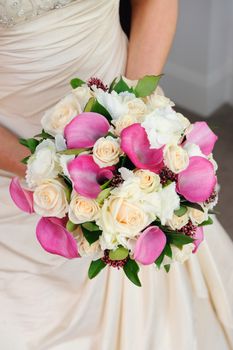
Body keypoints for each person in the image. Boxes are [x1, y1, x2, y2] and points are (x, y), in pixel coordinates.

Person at [0, 0, 232, 349]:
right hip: (15, 151)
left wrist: (134, 116)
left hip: (125, 108)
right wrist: (52, 174)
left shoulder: (132, 122)